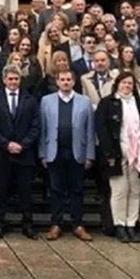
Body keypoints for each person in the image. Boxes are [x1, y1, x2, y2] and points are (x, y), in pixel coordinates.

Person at [95, 72, 140, 243]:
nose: (127, 86)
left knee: (135, 192)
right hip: (116, 154)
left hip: (137, 154)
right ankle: (120, 225)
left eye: (130, 83)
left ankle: (131, 224)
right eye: (123, 82)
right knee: (119, 191)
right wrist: (109, 152)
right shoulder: (107, 103)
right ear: (117, 84)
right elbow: (102, 129)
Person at [39, 70, 96, 241]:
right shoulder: (46, 101)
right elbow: (42, 129)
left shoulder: (84, 101)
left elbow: (90, 130)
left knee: (76, 190)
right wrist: (42, 153)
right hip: (54, 151)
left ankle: (77, 224)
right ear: (57, 82)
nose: (65, 82)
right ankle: (56, 224)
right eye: (62, 79)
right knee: (56, 189)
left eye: (68, 79)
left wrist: (90, 155)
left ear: (74, 82)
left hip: (77, 151)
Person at [0, 65, 40, 240]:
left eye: (16, 79)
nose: (13, 82)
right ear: (4, 80)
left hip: (24, 154)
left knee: (26, 193)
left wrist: (23, 145)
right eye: (10, 79)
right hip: (3, 153)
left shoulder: (30, 100)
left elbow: (35, 126)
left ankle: (27, 225)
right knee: (1, 192)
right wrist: (6, 144)